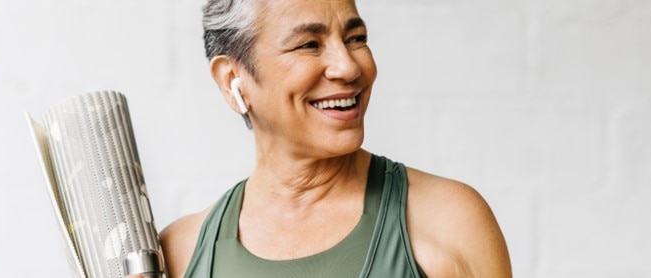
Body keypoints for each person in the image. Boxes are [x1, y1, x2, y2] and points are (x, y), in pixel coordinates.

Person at [159, 0, 512, 277]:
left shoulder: (447, 220)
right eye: (309, 44)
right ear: (232, 79)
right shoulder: (181, 250)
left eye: (356, 38)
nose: (349, 67)